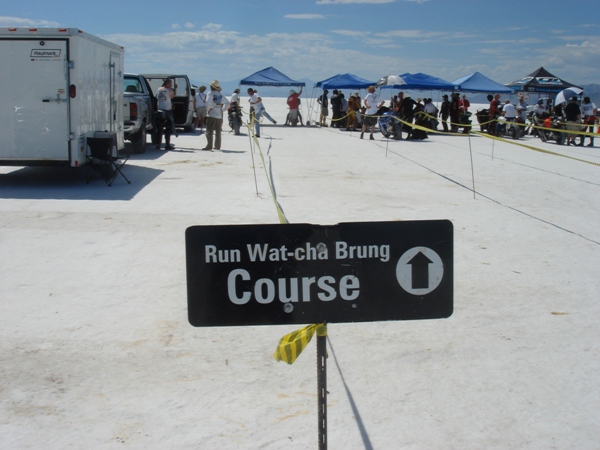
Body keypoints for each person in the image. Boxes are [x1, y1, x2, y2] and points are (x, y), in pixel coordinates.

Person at [203, 80, 230, 150]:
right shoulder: (220, 94)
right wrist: (222, 110)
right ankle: (217, 146)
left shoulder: (210, 93)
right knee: (218, 132)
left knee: (209, 131)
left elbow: (207, 102)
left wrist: (209, 109)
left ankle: (209, 146)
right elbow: (227, 103)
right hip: (219, 115)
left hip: (212, 114)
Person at [155, 79, 177, 150]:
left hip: (159, 110)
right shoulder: (169, 90)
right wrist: (172, 91)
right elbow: (172, 97)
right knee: (168, 128)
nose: (171, 85)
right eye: (170, 84)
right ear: (167, 84)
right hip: (167, 111)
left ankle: (158, 144)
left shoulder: (159, 89)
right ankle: (167, 144)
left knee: (159, 129)